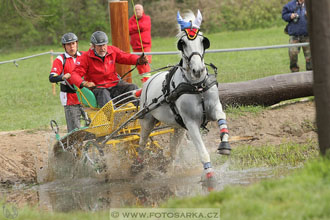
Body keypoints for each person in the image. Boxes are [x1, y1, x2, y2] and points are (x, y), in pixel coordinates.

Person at [69, 31, 148, 108]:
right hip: (99, 88)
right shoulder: (85, 57)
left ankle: (143, 111)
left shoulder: (112, 50)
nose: (102, 48)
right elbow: (74, 75)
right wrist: (84, 83)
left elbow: (125, 57)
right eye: (99, 46)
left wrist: (138, 60)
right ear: (93, 46)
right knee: (103, 93)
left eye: (104, 45)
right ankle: (113, 118)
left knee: (132, 87)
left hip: (115, 85)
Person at [49, 32, 83, 132]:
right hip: (70, 98)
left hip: (86, 97)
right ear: (64, 46)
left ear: (77, 43)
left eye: (73, 43)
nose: (71, 47)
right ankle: (73, 147)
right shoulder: (60, 59)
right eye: (68, 44)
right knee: (75, 130)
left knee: (93, 125)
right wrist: (62, 77)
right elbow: (52, 77)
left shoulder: (84, 56)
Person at [282, 0, 312, 72]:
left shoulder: (311, 4)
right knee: (292, 54)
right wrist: (290, 16)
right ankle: (294, 71)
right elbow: (284, 16)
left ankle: (311, 72)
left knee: (310, 56)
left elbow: (319, 15)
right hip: (294, 36)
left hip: (307, 35)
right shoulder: (290, 5)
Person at [129, 4, 152, 82]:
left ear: (142, 11)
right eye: (136, 9)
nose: (137, 11)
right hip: (135, 47)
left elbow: (144, 26)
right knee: (139, 65)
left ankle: (147, 81)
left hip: (145, 46)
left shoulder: (147, 18)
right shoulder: (130, 20)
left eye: (139, 9)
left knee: (146, 64)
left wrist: (134, 27)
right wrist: (138, 27)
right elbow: (128, 29)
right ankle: (143, 81)